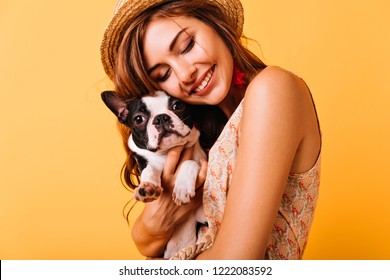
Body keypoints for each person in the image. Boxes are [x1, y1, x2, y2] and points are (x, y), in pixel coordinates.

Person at [100, 0, 321, 260]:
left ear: (214, 21)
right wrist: (157, 219)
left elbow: (235, 263)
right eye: (163, 74)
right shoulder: (200, 128)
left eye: (188, 46)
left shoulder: (273, 89)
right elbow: (147, 241)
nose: (185, 74)